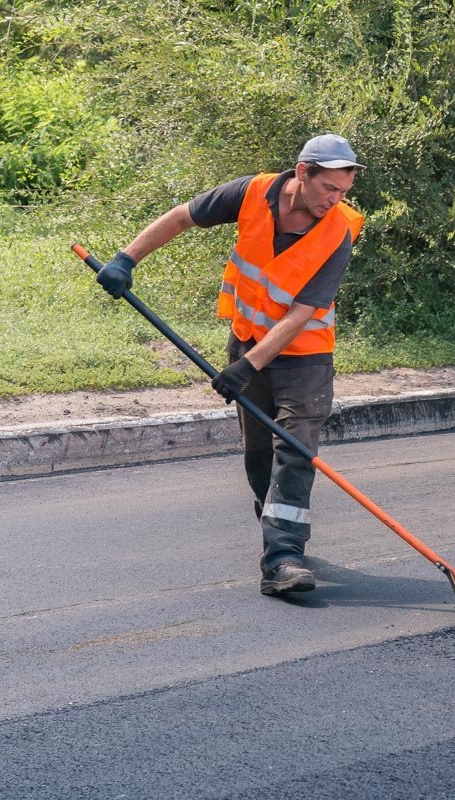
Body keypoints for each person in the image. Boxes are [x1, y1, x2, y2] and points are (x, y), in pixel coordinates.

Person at [95, 134, 365, 597]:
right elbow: (183, 216)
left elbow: (303, 312)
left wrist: (248, 367)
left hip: (305, 358)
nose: (335, 200)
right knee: (258, 453)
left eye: (343, 192)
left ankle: (283, 556)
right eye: (328, 190)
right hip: (246, 341)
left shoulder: (339, 230)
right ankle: (275, 524)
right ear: (303, 173)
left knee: (295, 448)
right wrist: (126, 259)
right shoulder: (252, 192)